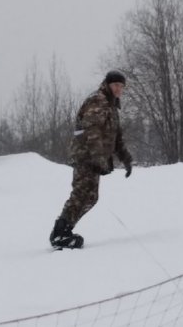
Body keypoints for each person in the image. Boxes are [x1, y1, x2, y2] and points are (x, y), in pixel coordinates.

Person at [49, 71, 133, 249]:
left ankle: (65, 230)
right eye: (116, 85)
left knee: (91, 197)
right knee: (82, 193)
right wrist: (98, 157)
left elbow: (116, 137)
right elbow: (92, 130)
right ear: (108, 85)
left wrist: (126, 158)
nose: (119, 89)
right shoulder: (98, 100)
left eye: (122, 86)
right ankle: (59, 233)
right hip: (85, 156)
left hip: (94, 158)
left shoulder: (112, 106)